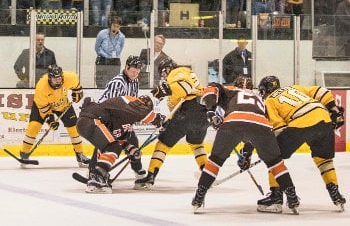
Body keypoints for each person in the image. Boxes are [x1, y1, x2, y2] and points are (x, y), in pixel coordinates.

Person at [191, 77, 300, 214]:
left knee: (215, 160)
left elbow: (210, 89)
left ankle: (199, 196)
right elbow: (253, 127)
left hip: (233, 122)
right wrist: (246, 154)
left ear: (234, 85)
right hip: (261, 125)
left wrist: (211, 110)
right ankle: (292, 196)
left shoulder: (230, 91)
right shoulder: (261, 99)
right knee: (275, 162)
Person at [255, 75, 346, 212]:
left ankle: (277, 196)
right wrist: (333, 109)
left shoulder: (270, 100)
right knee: (323, 159)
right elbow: (322, 92)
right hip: (323, 118)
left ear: (265, 90)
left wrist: (273, 149)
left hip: (300, 122)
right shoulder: (294, 88)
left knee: (273, 156)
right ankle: (335, 192)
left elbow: (278, 128)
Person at [134, 58, 209, 189]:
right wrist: (169, 121)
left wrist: (165, 89)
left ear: (168, 68)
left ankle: (150, 176)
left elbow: (185, 87)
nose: (163, 76)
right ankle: (208, 174)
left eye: (163, 73)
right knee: (196, 144)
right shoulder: (184, 75)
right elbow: (176, 103)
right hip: (203, 114)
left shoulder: (179, 71)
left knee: (162, 144)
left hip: (188, 110)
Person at [77, 95, 165, 193]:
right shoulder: (131, 101)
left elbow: (118, 140)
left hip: (88, 122)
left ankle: (95, 173)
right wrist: (159, 120)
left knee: (110, 147)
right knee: (112, 147)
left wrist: (130, 149)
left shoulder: (123, 117)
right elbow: (143, 112)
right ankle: (97, 177)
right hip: (91, 120)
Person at [19, 64, 90, 167]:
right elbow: (44, 109)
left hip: (63, 105)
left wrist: (77, 93)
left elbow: (77, 86)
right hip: (43, 106)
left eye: (59, 77)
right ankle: (24, 154)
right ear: (49, 78)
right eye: (54, 78)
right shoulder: (41, 87)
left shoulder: (70, 77)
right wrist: (50, 121)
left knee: (74, 129)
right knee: (34, 126)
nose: (57, 80)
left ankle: (80, 155)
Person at [94, 14, 125, 88]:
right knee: (101, 83)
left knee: (114, 83)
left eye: (118, 26)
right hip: (103, 60)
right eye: (114, 25)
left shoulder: (122, 37)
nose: (116, 28)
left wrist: (113, 56)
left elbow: (120, 49)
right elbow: (97, 47)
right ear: (110, 25)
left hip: (115, 61)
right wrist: (103, 55)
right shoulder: (102, 34)